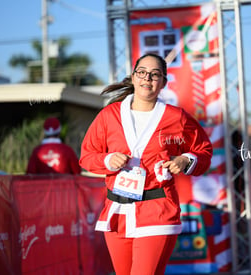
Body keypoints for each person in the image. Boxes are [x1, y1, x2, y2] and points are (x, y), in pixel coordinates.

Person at [79, 53, 213, 275]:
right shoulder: (109, 115)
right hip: (117, 212)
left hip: (158, 208)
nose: (147, 79)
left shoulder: (176, 117)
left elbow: (204, 151)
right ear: (133, 77)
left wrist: (186, 159)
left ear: (163, 83)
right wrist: (107, 160)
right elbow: (86, 156)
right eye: (142, 72)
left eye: (154, 75)